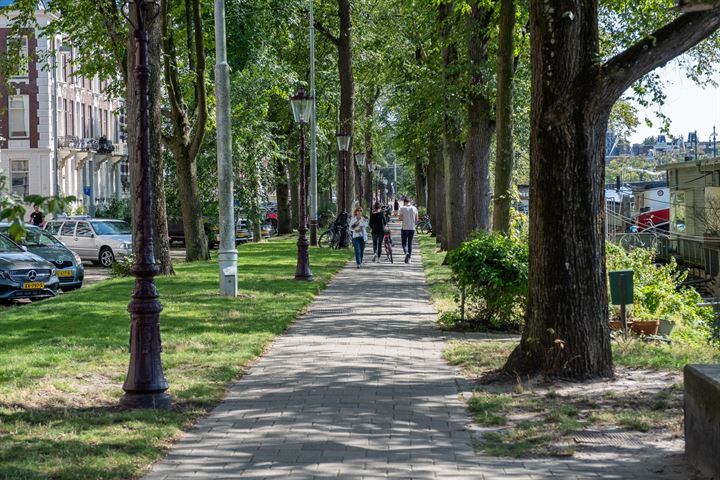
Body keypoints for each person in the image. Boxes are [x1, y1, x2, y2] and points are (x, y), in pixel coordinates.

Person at [398, 197, 418, 264]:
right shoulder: (415, 208)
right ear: (410, 201)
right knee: (410, 244)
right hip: (412, 228)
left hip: (404, 228)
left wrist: (404, 218)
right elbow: (416, 219)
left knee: (404, 243)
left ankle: (406, 252)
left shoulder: (402, 208)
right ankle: (409, 259)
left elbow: (400, 218)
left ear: (404, 202)